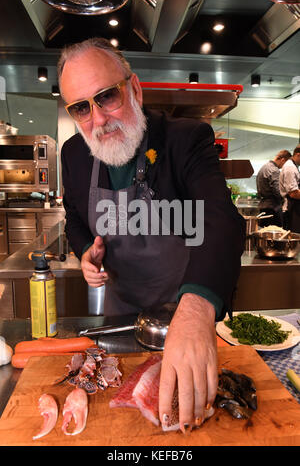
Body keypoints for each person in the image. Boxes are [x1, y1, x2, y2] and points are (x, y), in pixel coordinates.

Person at [58, 38, 245, 433]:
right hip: (121, 317)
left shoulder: (185, 138)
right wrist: (82, 251)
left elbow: (220, 218)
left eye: (106, 97)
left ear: (135, 89)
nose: (98, 119)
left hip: (185, 312)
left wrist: (196, 311)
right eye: (80, 107)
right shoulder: (74, 154)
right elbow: (74, 214)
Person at [256, 150, 291, 227]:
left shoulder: (264, 167)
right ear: (282, 160)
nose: (284, 167)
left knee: (264, 233)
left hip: (263, 206)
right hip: (272, 208)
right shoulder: (274, 170)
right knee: (274, 235)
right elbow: (277, 191)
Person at [279, 145, 300, 232]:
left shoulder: (293, 166)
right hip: (292, 209)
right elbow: (293, 193)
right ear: (298, 155)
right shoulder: (290, 168)